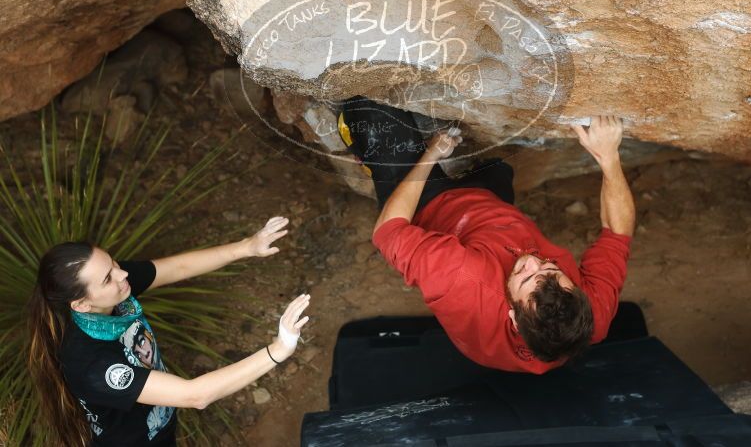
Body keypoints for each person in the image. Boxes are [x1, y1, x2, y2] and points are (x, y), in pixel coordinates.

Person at [339, 97, 635, 374]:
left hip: (427, 210)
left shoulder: (462, 279)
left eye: (525, 275)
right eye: (550, 267)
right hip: (493, 215)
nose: (532, 259)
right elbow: (618, 232)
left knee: (369, 110)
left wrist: (432, 154)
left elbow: (388, 231)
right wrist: (608, 156)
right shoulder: (588, 315)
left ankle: (365, 150)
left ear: (514, 320)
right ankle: (477, 180)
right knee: (498, 168)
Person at [27, 216, 310, 446]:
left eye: (113, 263)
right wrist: (278, 349)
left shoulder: (115, 289)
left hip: (158, 425)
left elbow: (176, 267)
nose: (122, 274)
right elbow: (195, 395)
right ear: (82, 304)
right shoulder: (92, 363)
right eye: (107, 278)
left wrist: (248, 246)